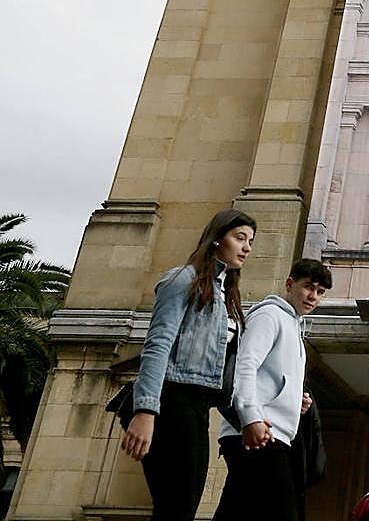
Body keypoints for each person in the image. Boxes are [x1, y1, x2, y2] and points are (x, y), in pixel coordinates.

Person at [120, 209, 256, 521]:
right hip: (170, 402)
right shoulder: (182, 280)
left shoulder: (226, 295)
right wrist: (145, 411)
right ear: (216, 239)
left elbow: (223, 372)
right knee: (175, 507)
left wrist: (246, 420)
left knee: (184, 506)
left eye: (250, 240)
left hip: (198, 407)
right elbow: (158, 345)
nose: (247, 247)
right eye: (240, 238)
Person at [212, 259, 332, 521]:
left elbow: (271, 377)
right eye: (308, 287)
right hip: (260, 431)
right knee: (282, 511)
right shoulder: (269, 315)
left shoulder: (294, 325)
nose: (313, 296)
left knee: (239, 510)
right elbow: (246, 365)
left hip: (270, 432)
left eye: (320, 292)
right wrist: (250, 417)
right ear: (290, 284)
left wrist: (293, 401)